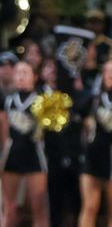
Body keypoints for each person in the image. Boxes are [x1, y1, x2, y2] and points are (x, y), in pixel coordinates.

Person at [78, 60, 112, 227]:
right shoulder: (92, 100)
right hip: (91, 157)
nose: (111, 75)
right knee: (89, 207)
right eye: (107, 71)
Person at [0, 60, 50, 227]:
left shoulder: (42, 100)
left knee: (39, 209)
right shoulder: (7, 101)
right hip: (12, 156)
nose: (20, 77)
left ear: (35, 77)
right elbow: (5, 132)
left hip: (35, 156)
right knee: (9, 208)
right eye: (18, 73)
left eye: (25, 73)